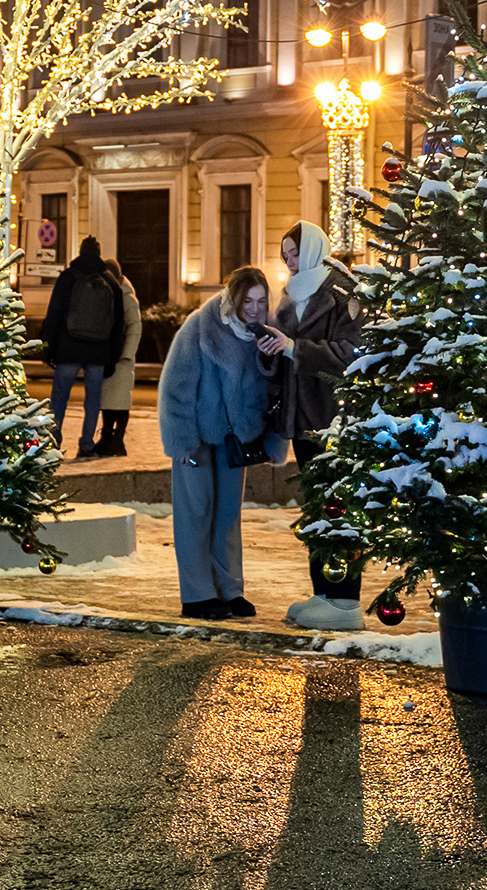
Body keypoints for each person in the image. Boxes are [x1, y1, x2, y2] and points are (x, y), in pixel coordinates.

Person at [157, 266, 288, 620]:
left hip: (235, 440)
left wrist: (268, 361)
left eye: (261, 301)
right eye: (248, 300)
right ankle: (197, 594)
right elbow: (175, 387)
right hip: (197, 438)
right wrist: (180, 441)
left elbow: (273, 393)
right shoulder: (201, 326)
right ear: (233, 298)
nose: (255, 308)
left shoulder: (266, 335)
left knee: (228, 515)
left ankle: (230, 590)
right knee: (195, 512)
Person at [269, 221, 368, 631]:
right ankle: (324, 592)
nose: (290, 263)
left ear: (312, 249)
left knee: (338, 506)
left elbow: (353, 353)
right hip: (303, 419)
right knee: (316, 507)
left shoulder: (345, 293)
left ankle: (346, 601)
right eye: (285, 257)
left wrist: (295, 348)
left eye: (294, 254)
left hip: (333, 418)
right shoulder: (293, 296)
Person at [41, 235, 124, 457]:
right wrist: (112, 358)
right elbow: (118, 325)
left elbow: (54, 315)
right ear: (98, 253)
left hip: (68, 348)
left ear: (80, 251)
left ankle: (52, 442)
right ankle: (86, 445)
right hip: (98, 350)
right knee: (93, 400)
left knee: (59, 396)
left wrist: (48, 349)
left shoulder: (67, 277)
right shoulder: (111, 282)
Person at [86, 258, 143, 458]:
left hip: (121, 357)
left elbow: (134, 327)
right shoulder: (111, 292)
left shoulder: (127, 296)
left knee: (120, 401)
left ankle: (118, 439)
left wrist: (127, 354)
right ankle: (108, 436)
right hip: (110, 355)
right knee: (108, 400)